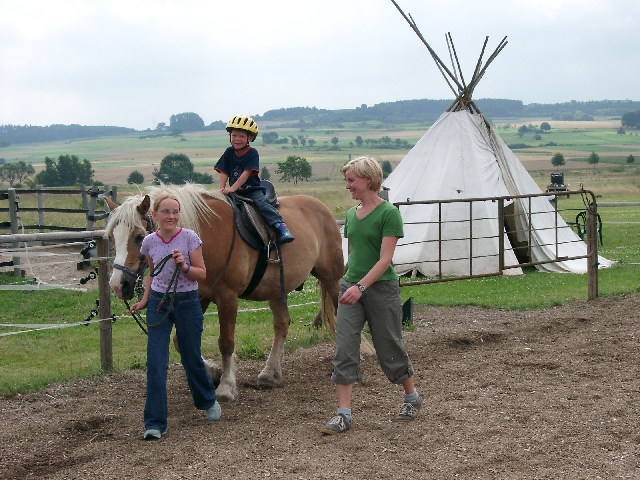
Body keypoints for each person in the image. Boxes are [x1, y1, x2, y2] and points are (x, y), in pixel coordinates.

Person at [321, 156, 421, 435]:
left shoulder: (389, 213)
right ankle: (343, 414)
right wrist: (347, 282)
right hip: (351, 288)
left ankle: (411, 398)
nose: (347, 186)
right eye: (347, 180)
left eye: (351, 180)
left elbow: (384, 259)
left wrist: (360, 287)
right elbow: (355, 255)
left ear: (368, 180)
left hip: (380, 289)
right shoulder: (352, 214)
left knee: (389, 345)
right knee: (344, 347)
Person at [130, 192, 221, 440]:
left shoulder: (190, 238)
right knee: (155, 363)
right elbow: (151, 273)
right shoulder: (149, 242)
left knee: (191, 358)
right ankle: (155, 423)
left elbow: (201, 274)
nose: (171, 216)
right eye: (166, 212)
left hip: (187, 302)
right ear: (156, 215)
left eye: (175, 212)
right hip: (159, 303)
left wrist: (185, 267)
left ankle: (206, 400)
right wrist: (144, 300)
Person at [214, 115, 294, 244]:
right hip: (234, 192)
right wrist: (222, 188)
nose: (237, 139)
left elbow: (246, 173)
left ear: (250, 138)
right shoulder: (229, 152)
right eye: (234, 135)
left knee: (262, 204)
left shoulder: (252, 153)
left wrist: (232, 188)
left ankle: (280, 226)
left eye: (241, 136)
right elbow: (223, 170)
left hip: (252, 190)